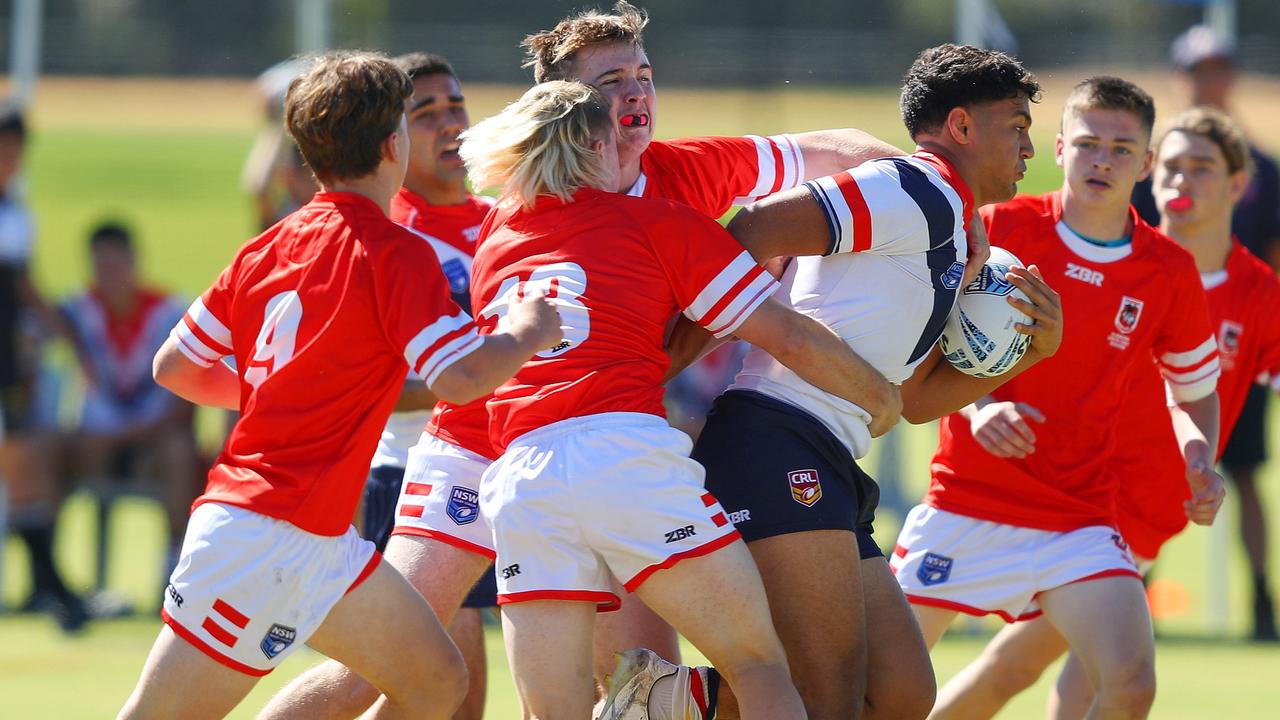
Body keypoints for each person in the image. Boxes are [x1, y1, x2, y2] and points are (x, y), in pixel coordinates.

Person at [256, 5, 917, 719]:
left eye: (644, 74)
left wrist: (936, 194)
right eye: (611, 82)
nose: (635, 93)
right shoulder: (530, 210)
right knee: (388, 672)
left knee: (641, 683)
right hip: (488, 444)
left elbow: (844, 146)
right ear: (564, 107)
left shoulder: (685, 173)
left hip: (560, 452)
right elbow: (772, 331)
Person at [599, 43, 1060, 720]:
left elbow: (911, 401)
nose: (1028, 146)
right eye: (1016, 127)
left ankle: (663, 702)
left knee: (900, 694)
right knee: (828, 696)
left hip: (828, 455)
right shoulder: (915, 188)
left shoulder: (954, 226)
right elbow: (756, 224)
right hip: (773, 438)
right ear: (962, 127)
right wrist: (672, 356)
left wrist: (1031, 353)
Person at [116, 51, 563, 720]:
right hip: (260, 532)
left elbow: (175, 367)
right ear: (394, 143)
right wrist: (529, 331)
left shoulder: (268, 245)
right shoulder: (395, 250)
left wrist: (285, 394)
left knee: (439, 681)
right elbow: (464, 378)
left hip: (320, 541)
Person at [462, 78, 899, 720]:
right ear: (599, 144)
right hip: (622, 457)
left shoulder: (495, 247)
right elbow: (791, 335)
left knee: (554, 711)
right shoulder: (657, 221)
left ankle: (643, 700)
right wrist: (879, 397)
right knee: (762, 668)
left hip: (522, 481)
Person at [920, 106, 1280, 720]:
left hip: (1140, 512)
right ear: (1150, 172)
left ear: (1237, 185)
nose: (1181, 183)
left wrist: (1198, 458)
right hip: (1064, 494)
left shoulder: (1247, 290)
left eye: (1201, 169)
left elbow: (1194, 391)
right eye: (1172, 167)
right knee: (1019, 668)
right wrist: (981, 405)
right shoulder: (1121, 254)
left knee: (1074, 675)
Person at [261, 51, 498, 720]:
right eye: (426, 114)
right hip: (417, 472)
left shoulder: (508, 220)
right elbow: (362, 386)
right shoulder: (385, 235)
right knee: (414, 683)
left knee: (470, 690)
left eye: (456, 105)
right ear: (390, 140)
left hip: (514, 474)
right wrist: (496, 375)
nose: (450, 123)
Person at [1141, 24, 1280, 641]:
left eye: (1220, 68)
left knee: (1245, 473)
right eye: (1199, 70)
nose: (1210, 80)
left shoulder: (1266, 171)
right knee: (1150, 468)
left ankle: (1262, 603)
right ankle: (1132, 595)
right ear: (1182, 77)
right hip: (1157, 342)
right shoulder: (1151, 164)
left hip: (1237, 338)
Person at [59, 221, 201, 593]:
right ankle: (57, 574)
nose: (110, 277)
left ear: (134, 262)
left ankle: (174, 568)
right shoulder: (77, 311)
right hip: (98, 444)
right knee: (57, 447)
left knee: (180, 451)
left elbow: (186, 403)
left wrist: (135, 434)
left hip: (154, 441)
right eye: (101, 268)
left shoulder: (171, 313)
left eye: (116, 265)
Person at [0, 99, 90, 632]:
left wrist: (69, 340)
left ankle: (50, 587)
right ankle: (55, 589)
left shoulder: (17, 214)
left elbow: (25, 289)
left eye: (16, 151)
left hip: (8, 363)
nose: (10, 160)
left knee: (25, 468)